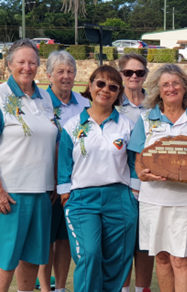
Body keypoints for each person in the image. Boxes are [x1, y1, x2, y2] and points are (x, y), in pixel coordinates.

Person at [127, 64, 187, 292]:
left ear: (185, 87)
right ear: (158, 89)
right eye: (165, 84)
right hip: (153, 200)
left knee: (181, 259)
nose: (171, 88)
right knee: (163, 258)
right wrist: (143, 173)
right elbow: (138, 162)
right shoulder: (146, 120)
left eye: (176, 83)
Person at [57, 65, 138, 292]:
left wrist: (133, 197)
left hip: (120, 198)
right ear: (90, 86)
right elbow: (64, 167)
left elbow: (134, 165)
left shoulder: (127, 125)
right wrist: (66, 196)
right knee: (89, 254)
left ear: (118, 93)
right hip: (83, 199)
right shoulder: (72, 126)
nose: (105, 90)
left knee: (117, 260)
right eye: (100, 84)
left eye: (113, 87)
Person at [0, 39, 58, 292]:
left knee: (33, 258)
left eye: (32, 62)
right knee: (6, 259)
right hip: (11, 191)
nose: (27, 67)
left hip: (41, 191)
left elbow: (51, 142)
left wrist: (54, 180)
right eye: (21, 61)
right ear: (9, 64)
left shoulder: (44, 98)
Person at [37, 49, 90, 292]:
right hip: (47, 183)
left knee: (66, 238)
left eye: (70, 71)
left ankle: (60, 287)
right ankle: (45, 287)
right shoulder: (40, 103)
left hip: (74, 183)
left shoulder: (85, 103)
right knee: (46, 240)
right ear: (49, 75)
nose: (65, 76)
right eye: (60, 71)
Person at [118, 53, 155, 292]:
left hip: (150, 182)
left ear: (145, 75)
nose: (134, 76)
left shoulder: (155, 104)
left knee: (145, 243)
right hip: (119, 182)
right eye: (129, 72)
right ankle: (123, 288)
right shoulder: (111, 102)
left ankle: (143, 288)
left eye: (139, 72)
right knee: (123, 243)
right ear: (121, 74)